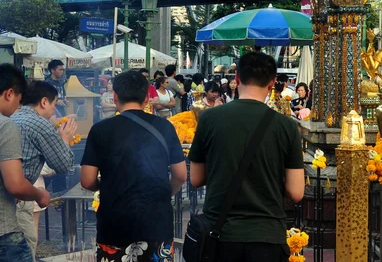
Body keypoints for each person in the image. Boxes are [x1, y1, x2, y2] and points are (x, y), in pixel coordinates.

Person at [188, 52, 304, 261]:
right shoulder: (287, 126)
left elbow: (196, 178)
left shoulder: (209, 118)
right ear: (272, 83)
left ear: (237, 78)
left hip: (219, 236)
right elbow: (296, 192)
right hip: (267, 236)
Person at [80, 71, 187, 262]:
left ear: (115, 97)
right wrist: (165, 192)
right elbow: (181, 175)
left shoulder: (100, 130)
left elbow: (87, 180)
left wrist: (105, 186)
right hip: (157, 222)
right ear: (147, 98)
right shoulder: (165, 127)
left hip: (114, 225)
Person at [11, 81, 76, 258]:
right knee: (25, 244)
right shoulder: (40, 124)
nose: (53, 111)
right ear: (44, 102)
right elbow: (64, 164)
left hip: (9, 193)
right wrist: (64, 138)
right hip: (20, 195)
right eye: (54, 105)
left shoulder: (12, 118)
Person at [0, 64, 51, 262]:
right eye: (19, 101)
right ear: (9, 93)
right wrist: (39, 195)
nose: (17, 108)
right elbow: (15, 185)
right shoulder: (5, 125)